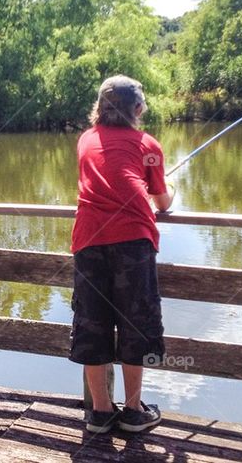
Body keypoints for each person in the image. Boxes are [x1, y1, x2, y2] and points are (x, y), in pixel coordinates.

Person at [69, 75, 174, 433]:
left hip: (89, 242)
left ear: (98, 108)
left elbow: (107, 174)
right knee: (136, 324)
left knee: (92, 323)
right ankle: (132, 411)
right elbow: (163, 201)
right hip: (133, 241)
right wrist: (166, 186)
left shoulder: (85, 140)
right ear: (139, 108)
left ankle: (99, 412)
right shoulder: (148, 145)